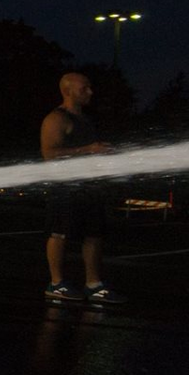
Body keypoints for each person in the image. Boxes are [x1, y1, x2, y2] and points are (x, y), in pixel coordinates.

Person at [41, 72, 124, 303]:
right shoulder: (56, 119)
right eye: (84, 88)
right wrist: (88, 150)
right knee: (60, 233)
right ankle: (56, 283)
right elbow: (49, 154)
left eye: (90, 87)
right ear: (67, 91)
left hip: (89, 187)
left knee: (95, 234)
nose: (90, 92)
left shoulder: (86, 120)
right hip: (65, 187)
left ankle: (93, 284)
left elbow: (91, 150)